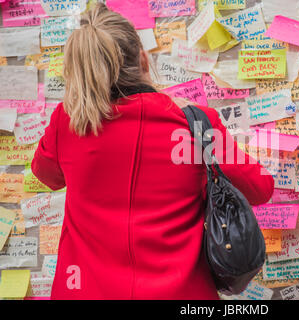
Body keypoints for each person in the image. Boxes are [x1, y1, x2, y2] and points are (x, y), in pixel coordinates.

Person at [32, 3, 274, 300]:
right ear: (144, 60)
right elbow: (260, 189)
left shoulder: (66, 122)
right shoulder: (194, 124)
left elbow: (47, 175)